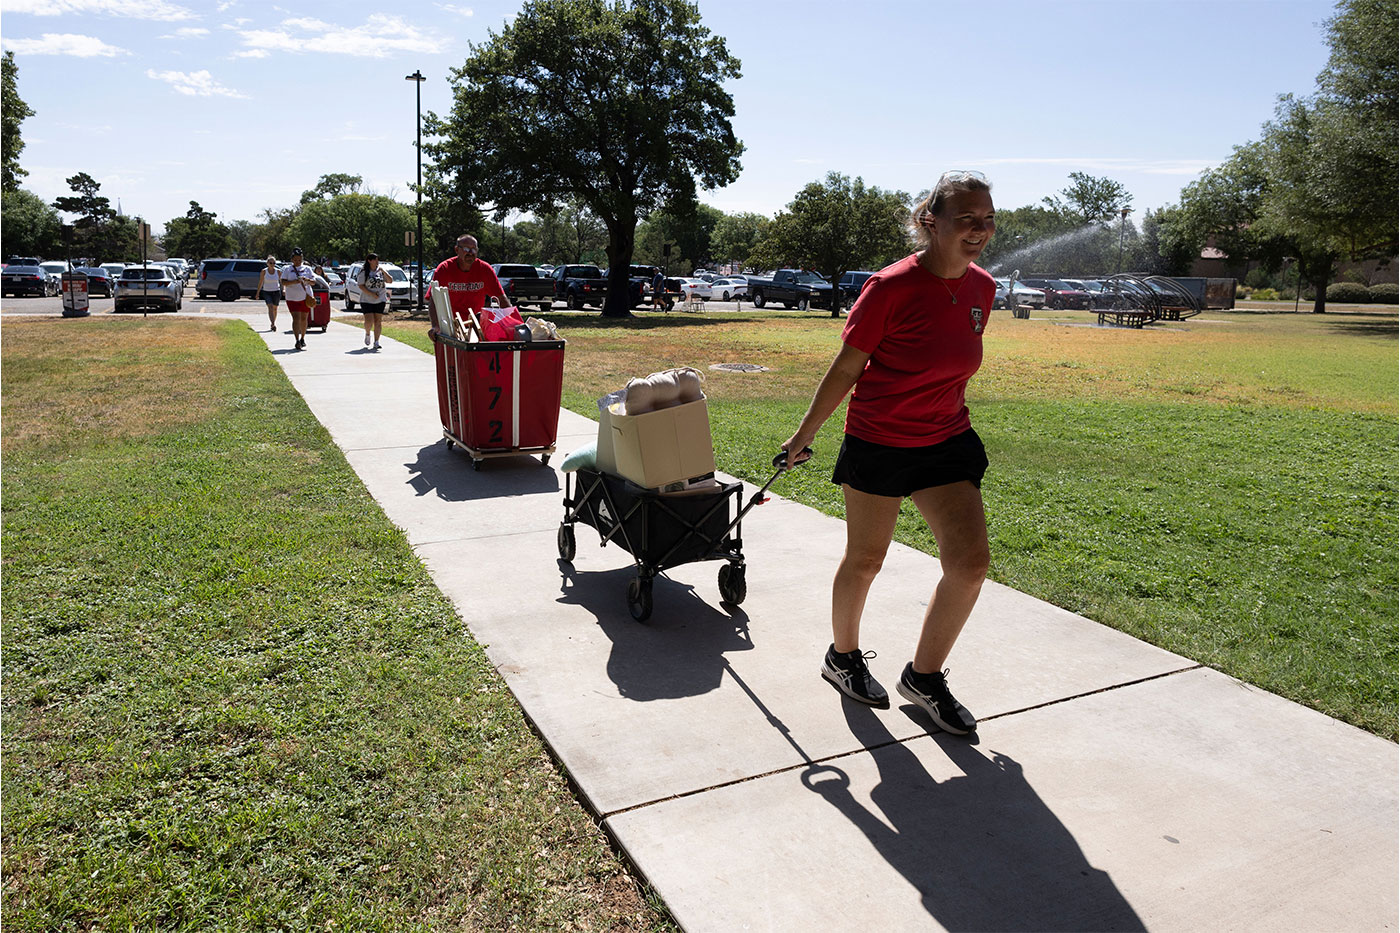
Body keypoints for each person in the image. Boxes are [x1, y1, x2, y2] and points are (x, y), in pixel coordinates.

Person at [780, 170, 997, 736]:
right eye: (967, 218)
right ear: (932, 221)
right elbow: (848, 367)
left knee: (970, 564)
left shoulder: (982, 288)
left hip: (946, 440)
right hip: (879, 440)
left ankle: (924, 678)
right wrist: (806, 433)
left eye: (987, 219)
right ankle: (842, 657)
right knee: (867, 558)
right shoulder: (890, 287)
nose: (979, 229)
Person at [427, 234, 506, 336]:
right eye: (466, 248)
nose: (470, 253)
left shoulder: (485, 270)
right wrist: (435, 326)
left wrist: (513, 323)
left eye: (474, 249)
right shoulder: (444, 269)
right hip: (451, 328)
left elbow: (501, 299)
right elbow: (433, 300)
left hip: (477, 326)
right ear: (456, 250)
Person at [279, 247, 317, 350]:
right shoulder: (288, 269)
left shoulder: (307, 269)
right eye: (295, 259)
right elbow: (283, 282)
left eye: (299, 259)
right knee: (296, 318)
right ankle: (296, 340)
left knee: (304, 318)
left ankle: (303, 338)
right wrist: (294, 282)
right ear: (292, 259)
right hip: (292, 298)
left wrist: (306, 280)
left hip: (305, 297)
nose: (297, 261)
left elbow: (313, 282)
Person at [356, 252, 389, 350]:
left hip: (380, 299)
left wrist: (384, 272)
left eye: (377, 260)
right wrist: (371, 294)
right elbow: (360, 285)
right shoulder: (364, 272)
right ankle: (367, 333)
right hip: (367, 300)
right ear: (369, 261)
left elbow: (390, 280)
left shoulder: (380, 271)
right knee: (369, 321)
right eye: (375, 260)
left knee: (378, 321)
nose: (377, 262)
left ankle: (376, 342)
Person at [255, 255, 281, 332]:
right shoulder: (264, 271)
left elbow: (282, 282)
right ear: (267, 263)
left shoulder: (278, 271)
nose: (272, 264)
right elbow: (261, 282)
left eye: (274, 263)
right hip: (267, 291)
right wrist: (257, 293)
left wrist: (284, 290)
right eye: (270, 263)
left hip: (276, 291)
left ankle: (273, 322)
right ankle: (273, 324)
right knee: (270, 307)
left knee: (275, 308)